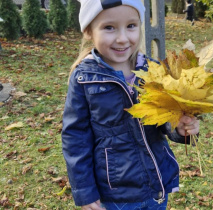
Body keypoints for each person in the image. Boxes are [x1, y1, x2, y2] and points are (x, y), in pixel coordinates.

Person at [61, 0, 200, 209]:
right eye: (109, 27)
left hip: (156, 186)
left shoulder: (153, 70)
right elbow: (75, 137)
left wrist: (180, 128)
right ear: (89, 31)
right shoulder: (84, 78)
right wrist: (84, 191)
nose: (122, 38)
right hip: (115, 194)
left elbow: (164, 120)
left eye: (131, 26)